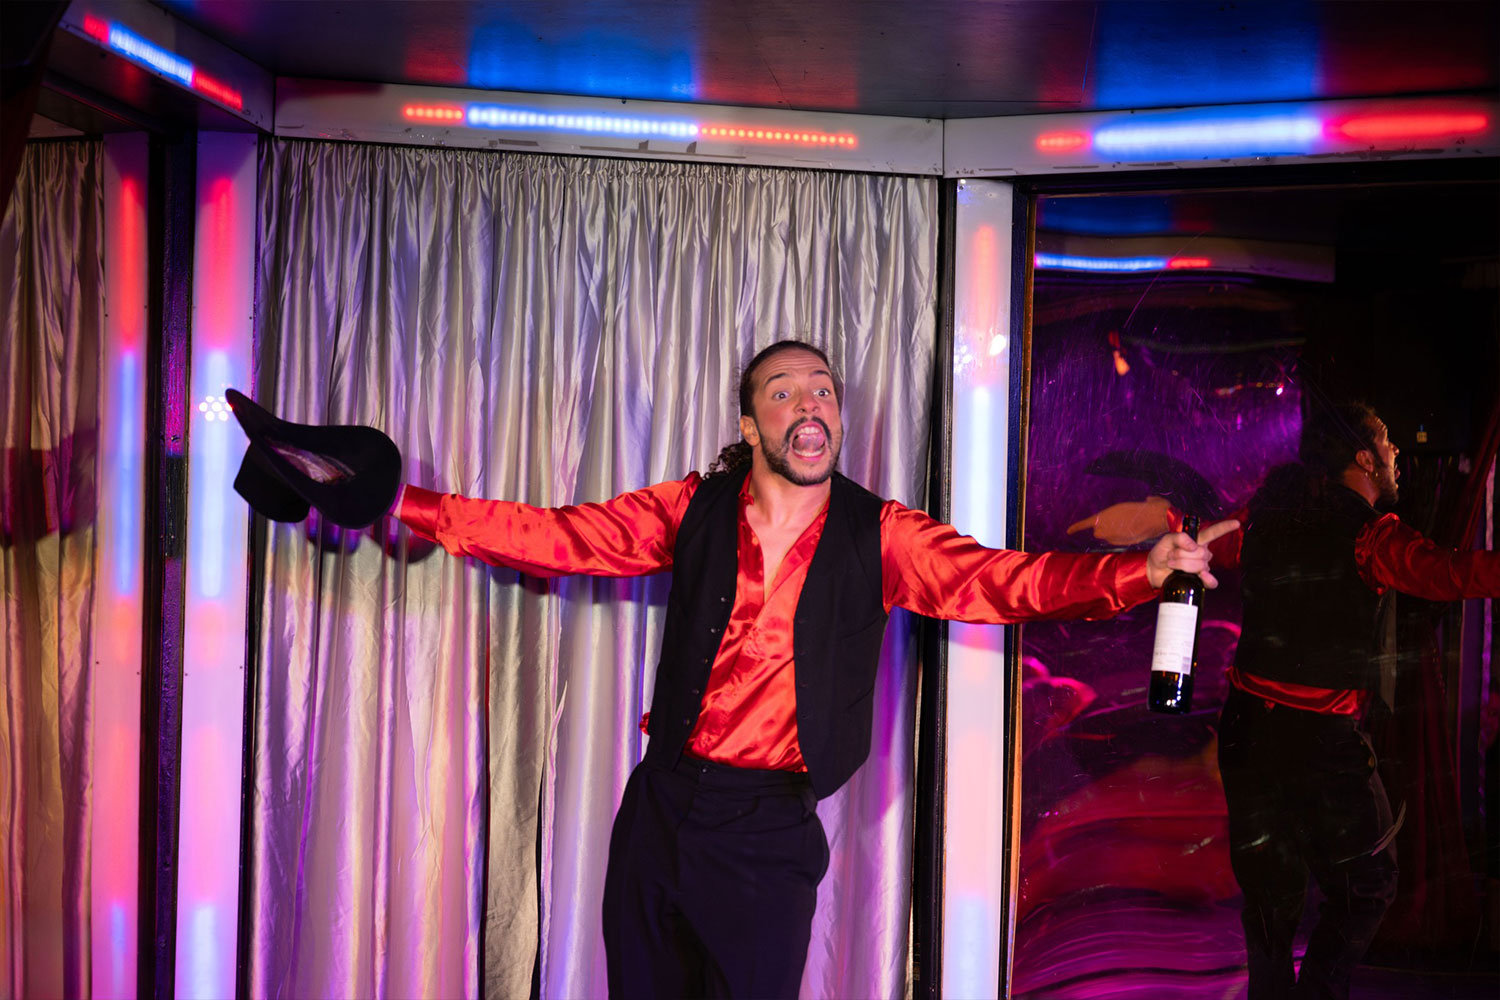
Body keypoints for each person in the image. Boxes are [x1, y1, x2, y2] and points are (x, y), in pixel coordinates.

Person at [391, 340, 1233, 998]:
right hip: (658, 806)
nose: (809, 403)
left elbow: (1005, 582)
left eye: (823, 390)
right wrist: (406, 503)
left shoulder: (884, 534)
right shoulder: (690, 508)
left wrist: (1138, 571)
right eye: (784, 391)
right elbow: (555, 537)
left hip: (765, 834)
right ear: (750, 426)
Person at [1217, 402, 1500, 1000]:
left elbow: (1217, 545)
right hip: (1318, 742)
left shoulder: (1269, 516)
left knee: (1272, 897)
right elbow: (1447, 574)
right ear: (1365, 459)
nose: (1397, 452)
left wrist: (1169, 520)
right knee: (1368, 885)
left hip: (1247, 732)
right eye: (1387, 441)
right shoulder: (1370, 534)